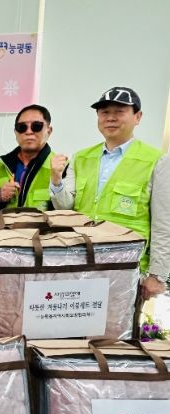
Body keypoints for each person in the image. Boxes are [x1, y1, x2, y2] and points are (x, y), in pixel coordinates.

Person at [50, 86, 169, 299]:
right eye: (104, 112)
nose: (110, 118)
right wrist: (56, 180)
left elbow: (164, 223)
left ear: (138, 117)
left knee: (119, 322)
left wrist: (157, 275)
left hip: (126, 268)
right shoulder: (81, 157)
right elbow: (65, 207)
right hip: (81, 262)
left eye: (119, 111)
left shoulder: (156, 160)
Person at [0, 104, 69, 211]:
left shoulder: (63, 166)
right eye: (22, 127)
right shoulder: (0, 165)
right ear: (15, 132)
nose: (28, 132)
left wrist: (56, 179)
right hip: (4, 222)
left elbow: (66, 209)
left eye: (36, 126)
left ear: (49, 131)